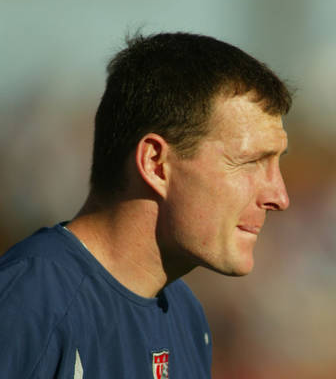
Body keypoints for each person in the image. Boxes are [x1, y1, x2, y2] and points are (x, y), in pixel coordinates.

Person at [0, 32, 291, 378]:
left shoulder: (187, 317)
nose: (280, 197)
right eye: (250, 162)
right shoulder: (30, 303)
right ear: (155, 163)